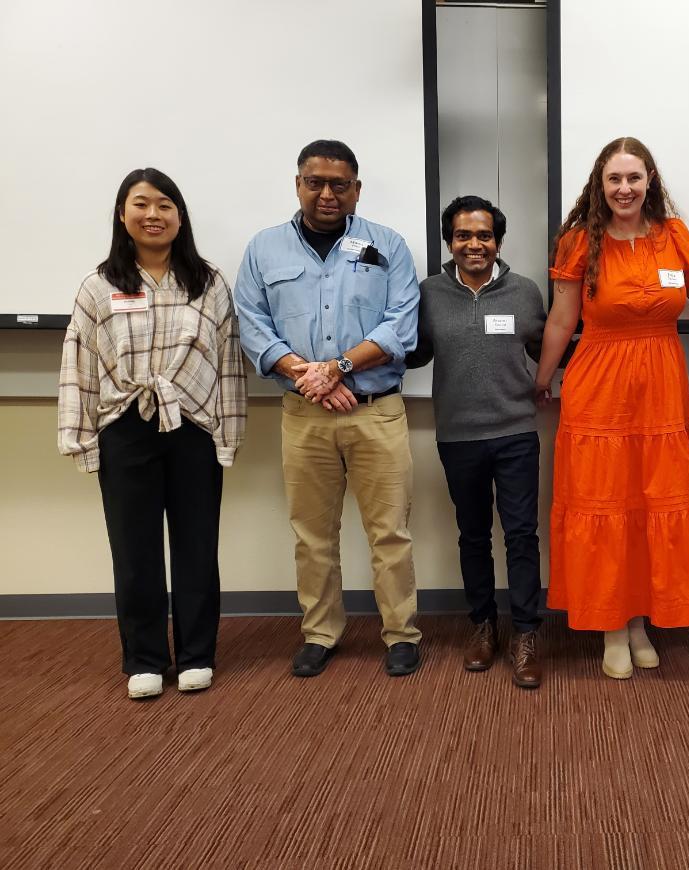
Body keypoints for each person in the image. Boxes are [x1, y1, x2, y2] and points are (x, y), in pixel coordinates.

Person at [533, 136, 689, 679]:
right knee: (606, 503)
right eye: (614, 179)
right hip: (599, 388)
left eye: (634, 178)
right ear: (601, 185)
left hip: (660, 388)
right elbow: (561, 320)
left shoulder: (674, 236)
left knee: (649, 503)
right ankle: (611, 626)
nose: (625, 189)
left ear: (650, 182)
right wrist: (543, 379)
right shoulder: (579, 241)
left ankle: (641, 619)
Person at [233, 139, 422, 678]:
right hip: (305, 417)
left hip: (376, 412)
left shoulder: (388, 246)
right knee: (313, 533)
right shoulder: (264, 249)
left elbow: (400, 326)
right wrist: (310, 378)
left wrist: (334, 368)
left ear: (356, 190)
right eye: (315, 182)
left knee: (390, 532)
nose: (326, 194)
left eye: (340, 184)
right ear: (298, 184)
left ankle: (402, 633)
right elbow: (254, 326)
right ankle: (320, 632)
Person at [58, 168, 246, 700]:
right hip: (125, 426)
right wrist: (82, 437)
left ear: (179, 216)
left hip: (193, 427)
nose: (153, 214)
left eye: (165, 205)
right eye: (141, 204)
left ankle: (195, 656)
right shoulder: (100, 285)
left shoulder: (207, 282)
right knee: (134, 549)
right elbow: (80, 363)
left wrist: (228, 435)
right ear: (123, 215)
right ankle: (143, 657)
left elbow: (230, 362)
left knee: (196, 546)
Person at [407, 195, 547, 689]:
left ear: (498, 241)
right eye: (463, 235)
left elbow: (545, 349)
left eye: (483, 235)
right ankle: (483, 627)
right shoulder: (427, 293)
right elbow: (415, 354)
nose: (474, 244)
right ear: (449, 242)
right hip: (458, 436)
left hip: (515, 433)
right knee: (472, 536)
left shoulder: (526, 292)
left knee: (522, 536)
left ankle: (527, 633)